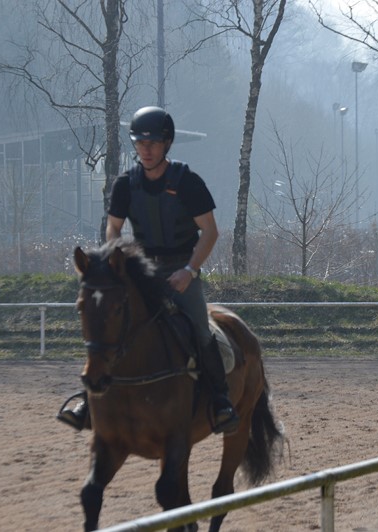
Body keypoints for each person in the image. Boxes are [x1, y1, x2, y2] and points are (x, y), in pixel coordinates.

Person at [57, 106, 240, 435]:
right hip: (140, 270)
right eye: (140, 143)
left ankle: (220, 400)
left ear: (166, 143)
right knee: (109, 326)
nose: (146, 149)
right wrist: (117, 263)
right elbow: (113, 228)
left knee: (201, 331)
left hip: (181, 270)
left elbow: (210, 232)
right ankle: (89, 400)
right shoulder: (125, 184)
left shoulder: (187, 182)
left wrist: (189, 271)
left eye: (153, 142)